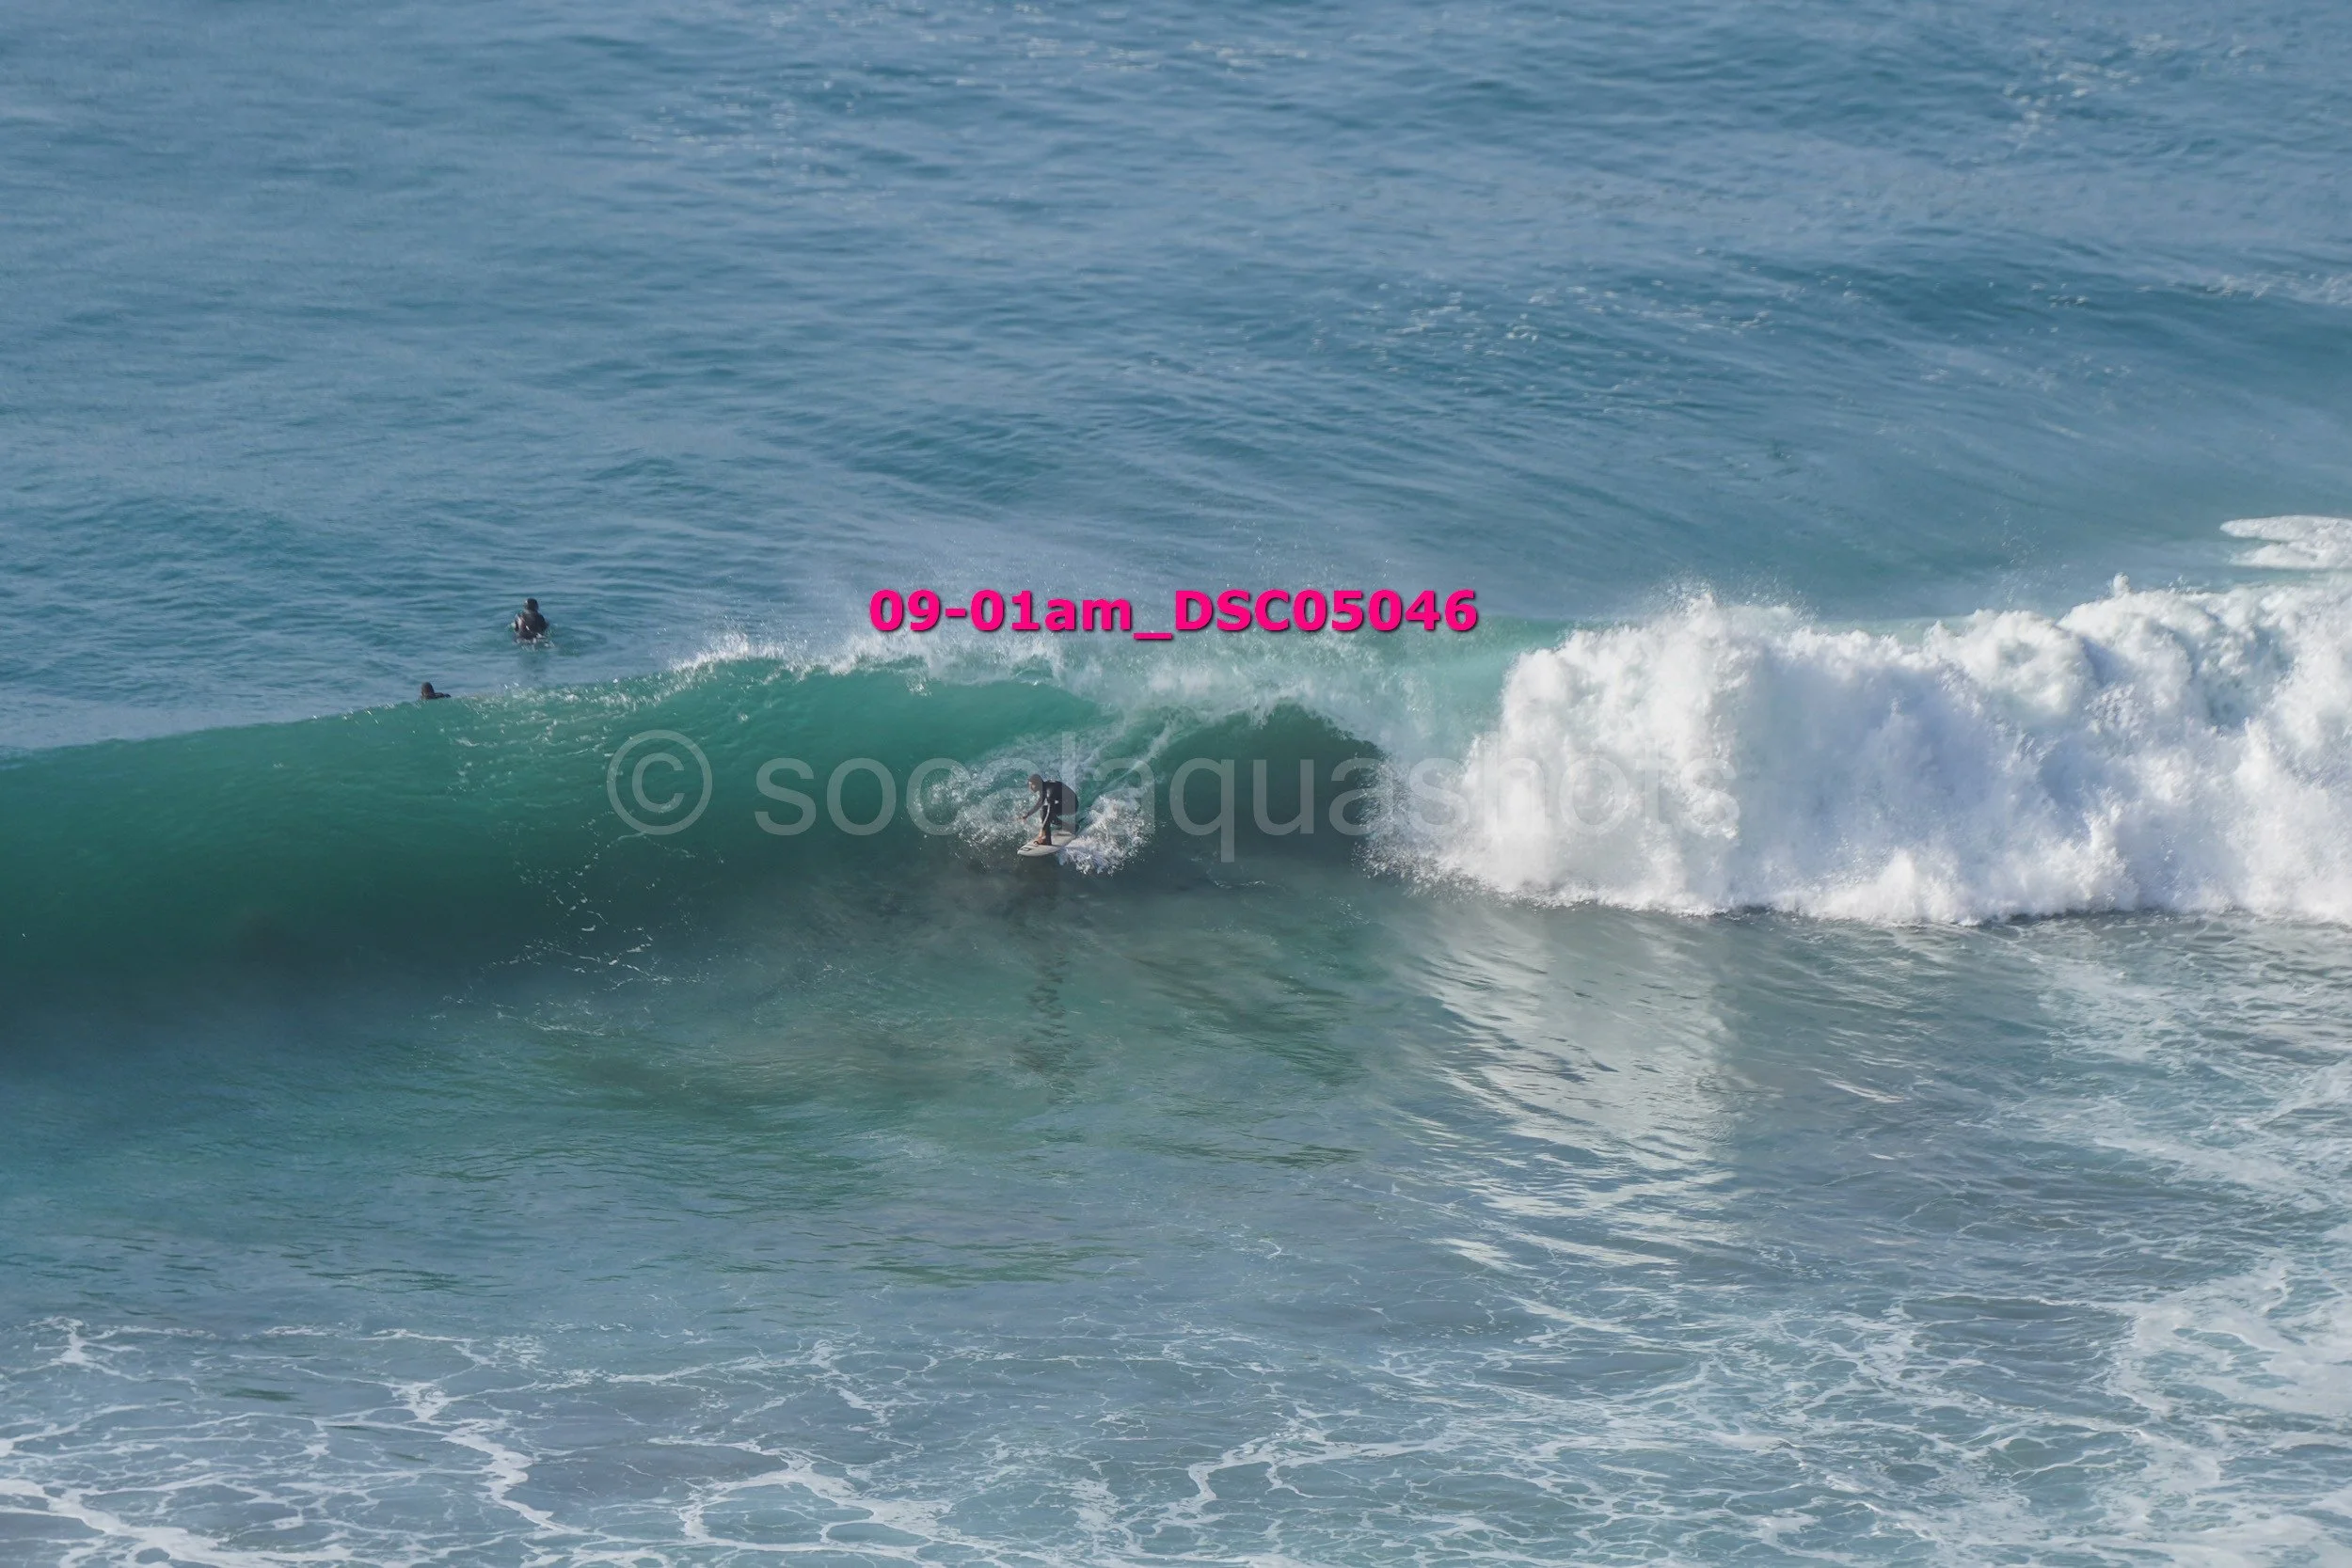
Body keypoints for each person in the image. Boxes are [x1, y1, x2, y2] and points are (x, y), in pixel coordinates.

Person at [1022, 774, 1073, 847]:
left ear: (1037, 784)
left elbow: (1050, 812)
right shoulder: (1044, 786)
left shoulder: (1049, 791)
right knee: (1045, 812)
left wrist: (1042, 830)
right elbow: (1040, 803)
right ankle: (1069, 826)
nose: (1030, 788)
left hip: (1072, 806)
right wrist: (1028, 814)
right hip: (1066, 803)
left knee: (1045, 811)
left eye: (1031, 785)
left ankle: (1047, 840)